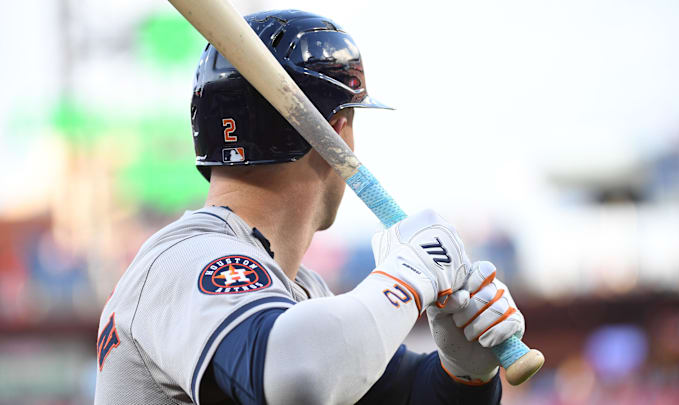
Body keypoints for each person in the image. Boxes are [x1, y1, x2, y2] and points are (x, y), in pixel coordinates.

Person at [94, 9, 525, 405]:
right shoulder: (184, 259)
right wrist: (409, 276)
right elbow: (294, 376)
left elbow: (408, 394)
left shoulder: (299, 291)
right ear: (338, 131)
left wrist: (462, 373)